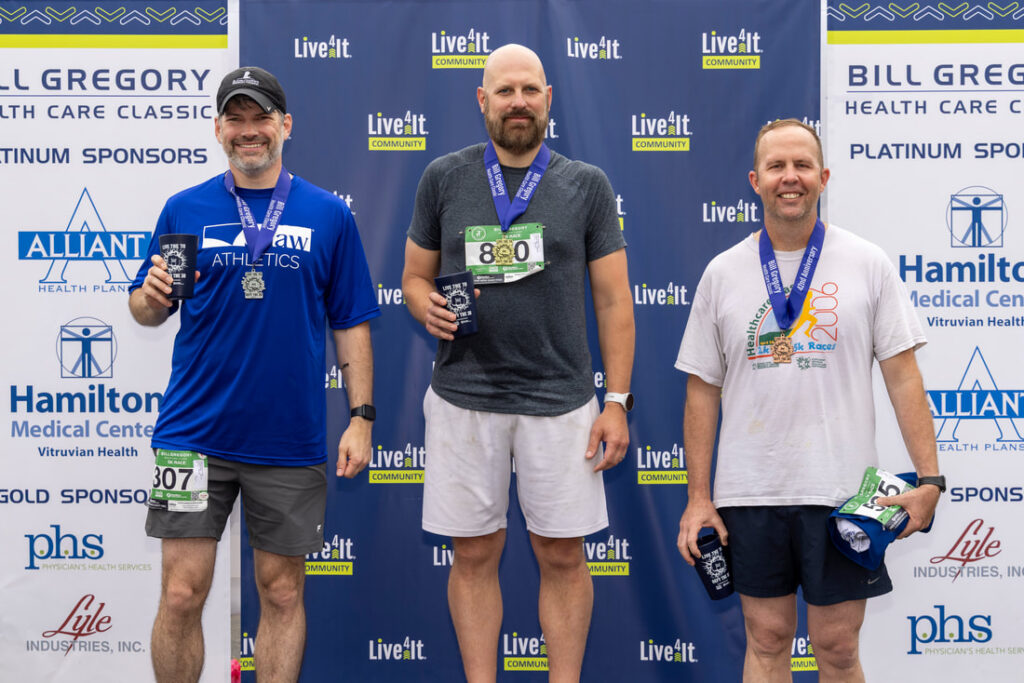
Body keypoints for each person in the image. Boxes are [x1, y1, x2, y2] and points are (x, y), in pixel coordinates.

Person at [128, 66, 379, 683]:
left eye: (260, 117)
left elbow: (351, 321)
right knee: (181, 593)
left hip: (287, 440)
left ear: (285, 125)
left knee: (283, 592)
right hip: (191, 436)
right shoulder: (184, 209)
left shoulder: (328, 214)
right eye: (235, 118)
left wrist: (361, 417)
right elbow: (145, 308)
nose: (248, 131)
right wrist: (150, 298)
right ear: (217, 130)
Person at [675, 119, 942, 683]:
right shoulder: (722, 273)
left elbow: (903, 377)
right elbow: (701, 391)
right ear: (755, 181)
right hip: (750, 492)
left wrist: (930, 480)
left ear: (824, 177)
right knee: (767, 640)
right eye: (776, 166)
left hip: (842, 492)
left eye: (802, 165)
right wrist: (698, 498)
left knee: (838, 648)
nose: (789, 177)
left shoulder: (867, 263)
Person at [401, 44, 635, 683]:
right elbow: (414, 278)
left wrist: (617, 401)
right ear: (483, 100)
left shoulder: (587, 184)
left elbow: (615, 301)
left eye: (530, 90)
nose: (518, 103)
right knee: (474, 555)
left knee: (562, 556)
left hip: (560, 402)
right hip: (462, 398)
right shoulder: (443, 177)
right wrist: (426, 306)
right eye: (504, 91)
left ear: (548, 98)